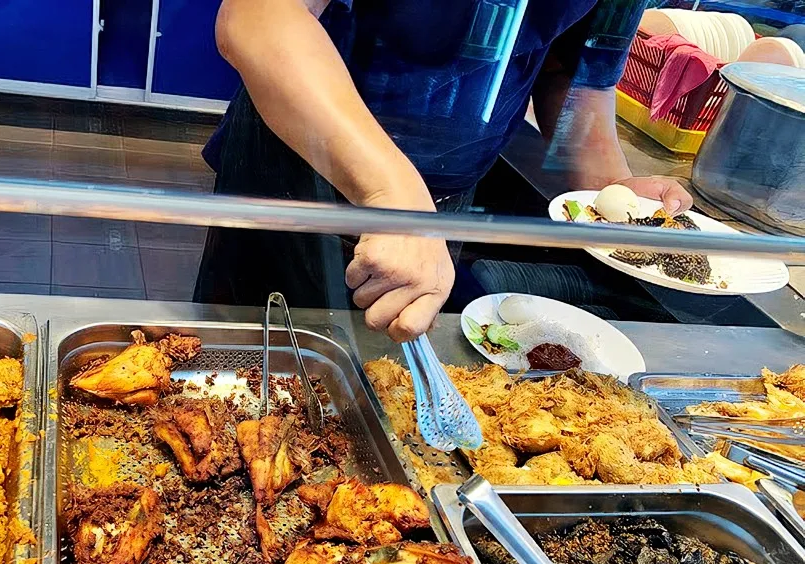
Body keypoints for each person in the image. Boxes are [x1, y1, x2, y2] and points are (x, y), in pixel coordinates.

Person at [193, 0, 693, 340]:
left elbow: (576, 76)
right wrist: (394, 193)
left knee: (381, 380)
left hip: (443, 201)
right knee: (242, 376)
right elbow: (259, 16)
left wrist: (613, 193)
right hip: (295, 170)